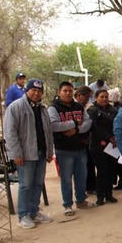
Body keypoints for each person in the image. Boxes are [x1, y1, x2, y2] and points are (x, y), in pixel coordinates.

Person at [4, 78, 54, 229]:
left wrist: (49, 151)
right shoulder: (16, 107)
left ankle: (34, 212)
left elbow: (48, 132)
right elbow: (10, 133)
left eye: (39, 91)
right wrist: (16, 154)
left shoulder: (43, 109)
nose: (36, 94)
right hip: (25, 154)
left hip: (40, 151)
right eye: (34, 90)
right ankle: (23, 215)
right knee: (25, 185)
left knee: (38, 183)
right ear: (27, 90)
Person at [49, 81, 95, 215]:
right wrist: (74, 122)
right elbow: (54, 125)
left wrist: (75, 130)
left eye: (70, 91)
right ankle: (67, 205)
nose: (68, 93)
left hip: (80, 147)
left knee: (81, 176)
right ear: (59, 92)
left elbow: (88, 123)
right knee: (66, 178)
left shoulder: (78, 107)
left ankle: (81, 200)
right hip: (64, 149)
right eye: (65, 91)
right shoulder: (53, 108)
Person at [87, 89, 119, 205]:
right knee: (102, 171)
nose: (104, 99)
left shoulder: (113, 110)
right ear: (96, 97)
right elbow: (94, 127)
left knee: (111, 170)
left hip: (113, 145)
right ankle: (100, 196)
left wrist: (115, 138)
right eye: (102, 97)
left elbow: (118, 124)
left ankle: (109, 194)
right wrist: (108, 136)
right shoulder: (92, 110)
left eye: (106, 97)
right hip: (98, 145)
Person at [75, 85, 96, 193]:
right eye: (86, 97)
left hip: (87, 140)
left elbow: (88, 123)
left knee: (89, 165)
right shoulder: (75, 107)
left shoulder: (86, 108)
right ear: (79, 96)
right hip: (76, 142)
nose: (87, 100)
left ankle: (91, 187)